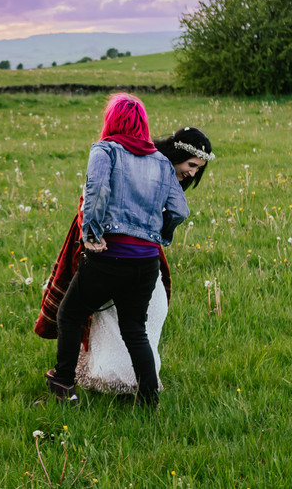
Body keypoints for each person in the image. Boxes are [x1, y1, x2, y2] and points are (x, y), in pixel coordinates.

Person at [38, 94, 192, 407]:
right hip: (147, 263)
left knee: (69, 314)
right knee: (135, 330)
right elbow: (179, 209)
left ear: (111, 121)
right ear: (143, 125)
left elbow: (95, 192)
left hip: (109, 256)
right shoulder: (162, 162)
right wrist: (159, 236)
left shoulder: (105, 150)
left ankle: (63, 389)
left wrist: (92, 235)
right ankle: (149, 402)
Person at [75, 126, 214, 395]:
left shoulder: (167, 173)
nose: (193, 173)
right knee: (122, 318)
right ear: (176, 154)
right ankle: (113, 378)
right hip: (117, 248)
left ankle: (132, 381)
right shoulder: (147, 163)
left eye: (199, 169)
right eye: (192, 165)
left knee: (146, 316)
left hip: (142, 253)